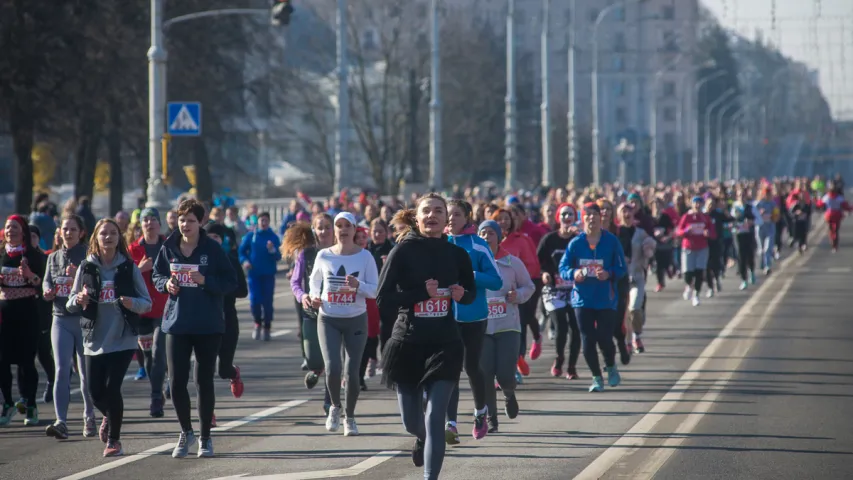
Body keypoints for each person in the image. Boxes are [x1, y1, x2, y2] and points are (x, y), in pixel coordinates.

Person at [378, 193, 475, 480]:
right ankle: (419, 438)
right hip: (408, 342)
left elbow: (470, 293)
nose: (432, 216)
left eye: (438, 211)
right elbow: (383, 299)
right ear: (416, 218)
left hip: (445, 342)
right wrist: (422, 294)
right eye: (426, 211)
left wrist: (462, 295)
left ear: (447, 219)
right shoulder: (403, 251)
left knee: (435, 418)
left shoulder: (457, 254)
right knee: (412, 422)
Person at [152, 199, 237, 458]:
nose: (185, 225)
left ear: (200, 222)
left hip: (208, 324)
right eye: (181, 220)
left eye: (190, 220)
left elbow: (230, 281)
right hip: (177, 323)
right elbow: (157, 276)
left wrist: (205, 281)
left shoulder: (212, 249)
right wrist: (166, 284)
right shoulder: (168, 247)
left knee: (203, 381)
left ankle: (205, 437)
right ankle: (185, 431)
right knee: (176, 382)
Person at [66, 218, 152, 457]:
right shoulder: (86, 267)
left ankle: (114, 441)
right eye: (104, 233)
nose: (108, 237)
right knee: (94, 392)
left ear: (119, 238)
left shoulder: (128, 267)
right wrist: (79, 300)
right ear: (95, 238)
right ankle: (109, 415)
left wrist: (130, 302)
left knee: (113, 389)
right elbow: (71, 302)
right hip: (94, 338)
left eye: (113, 233)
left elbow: (147, 303)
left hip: (123, 337)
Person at [308, 212, 378, 436]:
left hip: (356, 318)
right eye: (338, 225)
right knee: (333, 368)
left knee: (352, 371)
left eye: (347, 225)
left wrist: (358, 285)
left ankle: (351, 416)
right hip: (328, 318)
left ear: (355, 229)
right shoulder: (324, 256)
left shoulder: (365, 257)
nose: (343, 229)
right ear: (334, 230)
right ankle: (335, 408)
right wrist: (314, 296)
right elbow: (314, 281)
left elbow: (375, 290)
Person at [443, 200, 502, 444]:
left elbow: (496, 281)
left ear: (467, 217)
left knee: (471, 367)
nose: (451, 219)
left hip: (474, 316)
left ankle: (480, 413)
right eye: (447, 214)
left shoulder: (478, 245)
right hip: (444, 316)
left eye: (456, 214)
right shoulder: (439, 243)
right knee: (449, 371)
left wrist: (472, 276)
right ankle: (451, 424)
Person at [558, 203, 627, 393]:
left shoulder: (611, 241)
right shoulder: (575, 243)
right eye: (587, 215)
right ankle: (597, 377)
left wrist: (609, 273)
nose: (591, 218)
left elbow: (622, 269)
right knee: (587, 339)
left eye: (595, 214)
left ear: (600, 217)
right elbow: (563, 269)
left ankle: (611, 366)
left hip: (606, 299)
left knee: (605, 338)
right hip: (582, 299)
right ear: (582, 218)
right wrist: (575, 273)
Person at [43, 214, 96, 439]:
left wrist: (79, 277)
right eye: (65, 229)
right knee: (61, 370)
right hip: (60, 318)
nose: (68, 233)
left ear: (81, 232)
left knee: (85, 374)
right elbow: (47, 280)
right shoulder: (53, 257)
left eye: (73, 229)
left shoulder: (88, 256)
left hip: (82, 320)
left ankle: (89, 416)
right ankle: (61, 421)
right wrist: (47, 291)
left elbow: (96, 284)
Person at [477, 220, 533, 433]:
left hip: (508, 326)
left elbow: (529, 286)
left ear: (499, 237)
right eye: (482, 233)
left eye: (491, 233)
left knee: (505, 375)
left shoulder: (512, 263)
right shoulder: (474, 263)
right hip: (482, 327)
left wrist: (517, 295)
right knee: (485, 374)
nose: (486, 236)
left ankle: (509, 393)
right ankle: (492, 418)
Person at [0, 216, 46, 426]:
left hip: (28, 312)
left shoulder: (33, 255)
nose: (11, 231)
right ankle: (8, 403)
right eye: (8, 227)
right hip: (4, 314)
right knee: (2, 361)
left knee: (27, 362)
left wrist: (30, 275)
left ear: (23, 231)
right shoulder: (1, 253)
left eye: (15, 227)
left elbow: (43, 285)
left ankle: (30, 405)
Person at [127, 208, 170, 418]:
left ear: (159, 223)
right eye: (145, 219)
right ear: (140, 225)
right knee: (148, 357)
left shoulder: (169, 246)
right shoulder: (133, 250)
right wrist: (140, 269)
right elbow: (122, 278)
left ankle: (155, 398)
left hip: (165, 308)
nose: (150, 223)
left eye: (153, 219)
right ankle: (160, 389)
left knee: (158, 351)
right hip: (141, 311)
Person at [537, 203, 582, 379]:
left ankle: (571, 367)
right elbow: (538, 262)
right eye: (563, 214)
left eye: (570, 214)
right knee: (561, 325)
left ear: (575, 217)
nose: (566, 217)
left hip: (575, 289)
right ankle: (559, 358)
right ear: (558, 218)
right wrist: (545, 273)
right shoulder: (549, 239)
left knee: (576, 328)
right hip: (553, 290)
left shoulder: (579, 240)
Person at [206, 224, 248, 401]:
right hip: (205, 320)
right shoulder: (199, 261)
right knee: (205, 371)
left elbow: (243, 291)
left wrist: (220, 288)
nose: (213, 240)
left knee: (222, 370)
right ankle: (208, 412)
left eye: (217, 237)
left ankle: (233, 373)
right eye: (210, 237)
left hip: (227, 318)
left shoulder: (231, 259)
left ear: (222, 240)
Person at [616, 204, 656, 355]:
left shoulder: (640, 233)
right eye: (623, 211)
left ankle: (636, 335)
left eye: (629, 211)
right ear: (619, 215)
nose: (627, 214)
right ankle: (628, 342)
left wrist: (649, 248)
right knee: (623, 313)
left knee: (634, 307)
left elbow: (651, 246)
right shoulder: (616, 233)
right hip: (619, 278)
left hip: (636, 276)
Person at [239, 212, 282, 340]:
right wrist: (245, 261)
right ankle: (257, 322)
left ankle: (267, 326)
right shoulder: (251, 236)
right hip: (254, 274)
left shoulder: (273, 237)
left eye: (266, 221)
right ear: (257, 222)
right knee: (254, 300)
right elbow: (241, 251)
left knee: (267, 302)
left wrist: (272, 250)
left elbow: (278, 256)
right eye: (261, 220)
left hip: (268, 274)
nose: (263, 223)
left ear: (268, 222)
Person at [676, 196, 715, 306]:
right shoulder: (686, 217)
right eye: (695, 203)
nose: (697, 205)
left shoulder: (705, 217)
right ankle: (689, 285)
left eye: (699, 203)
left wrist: (708, 233)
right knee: (688, 273)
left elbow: (713, 233)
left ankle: (696, 295)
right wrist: (686, 231)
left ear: (702, 205)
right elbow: (679, 231)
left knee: (699, 272)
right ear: (692, 205)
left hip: (702, 248)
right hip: (688, 248)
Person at [817, 182, 852, 253]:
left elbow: (819, 204)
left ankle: (833, 243)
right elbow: (845, 206)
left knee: (831, 230)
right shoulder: (838, 198)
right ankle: (834, 244)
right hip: (836, 215)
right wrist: (850, 208)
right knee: (835, 230)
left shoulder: (827, 197)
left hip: (829, 215)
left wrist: (817, 202)